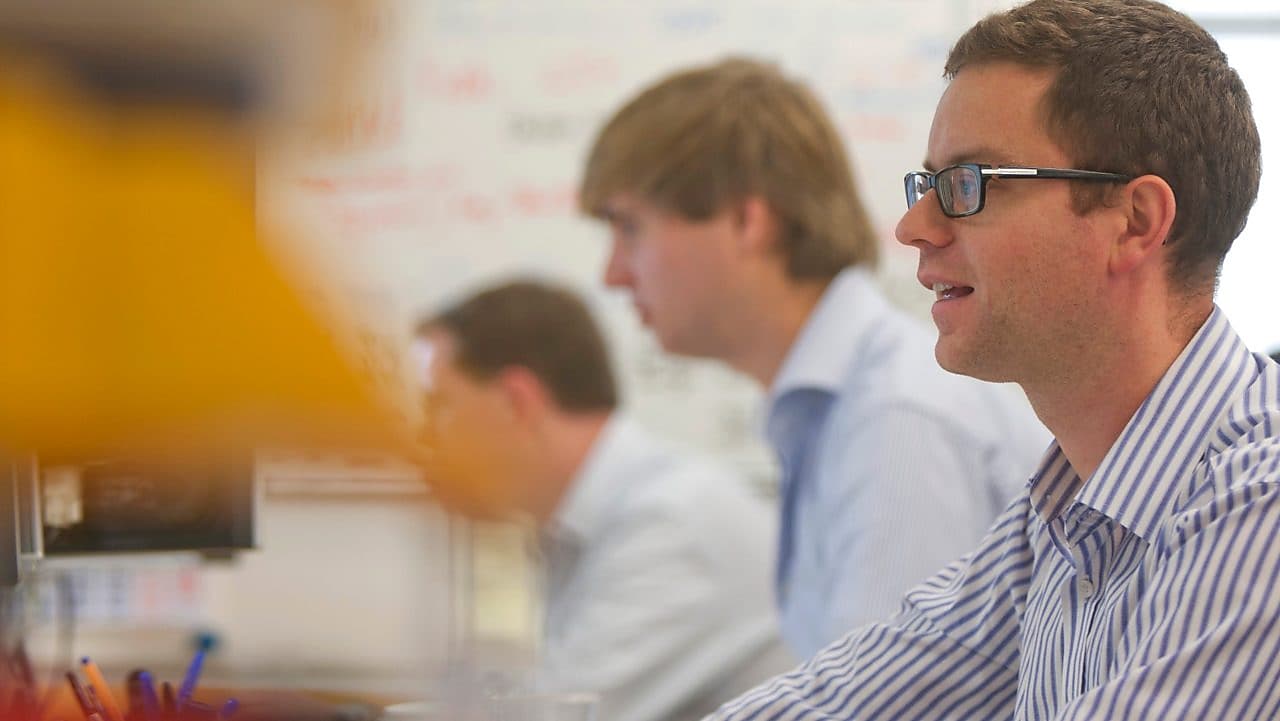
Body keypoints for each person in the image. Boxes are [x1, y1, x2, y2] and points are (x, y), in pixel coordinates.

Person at [710, 1, 1280, 718]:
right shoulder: (1059, 511)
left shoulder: (1261, 501)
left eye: (970, 183)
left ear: (1134, 222)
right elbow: (850, 699)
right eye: (928, 186)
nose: (914, 228)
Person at [578, 57, 1049, 657]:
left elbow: (884, 706)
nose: (613, 274)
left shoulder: (896, 418)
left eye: (630, 229)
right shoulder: (844, 405)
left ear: (747, 221)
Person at [414, 280, 794, 721]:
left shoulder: (669, 523)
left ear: (515, 400)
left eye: (440, 405)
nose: (426, 435)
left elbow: (554, 716)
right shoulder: (587, 523)